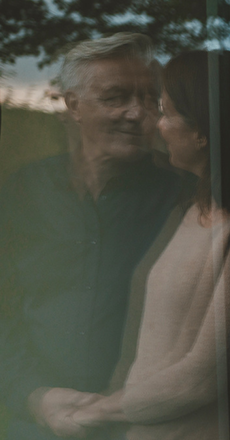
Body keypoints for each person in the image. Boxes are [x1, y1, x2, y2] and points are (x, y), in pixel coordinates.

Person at [0, 33, 183, 440]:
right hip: (34, 427)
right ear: (73, 105)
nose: (137, 114)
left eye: (149, 99)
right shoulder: (23, 191)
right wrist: (31, 395)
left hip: (143, 427)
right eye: (115, 97)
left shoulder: (183, 199)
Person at [66, 50, 230, 440]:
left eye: (166, 112)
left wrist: (98, 410)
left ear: (203, 130)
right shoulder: (188, 211)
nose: (157, 125)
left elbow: (203, 377)